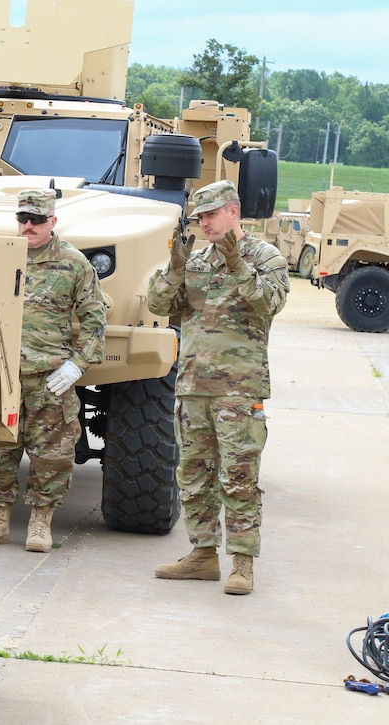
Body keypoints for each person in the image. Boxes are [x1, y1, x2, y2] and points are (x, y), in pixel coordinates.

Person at [148, 179, 289, 595]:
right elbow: (159, 306)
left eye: (210, 215)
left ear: (233, 211)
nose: (204, 224)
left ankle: (242, 563)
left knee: (239, 476)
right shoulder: (198, 260)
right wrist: (174, 268)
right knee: (192, 476)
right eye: (199, 218)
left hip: (239, 391)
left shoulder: (267, 257)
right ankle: (203, 555)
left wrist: (237, 265)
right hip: (193, 386)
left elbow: (268, 303)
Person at [0, 189, 107, 552]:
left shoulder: (73, 263)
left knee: (52, 456)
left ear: (52, 221)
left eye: (37, 220)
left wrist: (77, 365)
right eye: (23, 219)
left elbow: (95, 320)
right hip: (2, 376)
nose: (28, 226)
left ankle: (40, 522)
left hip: (49, 380)